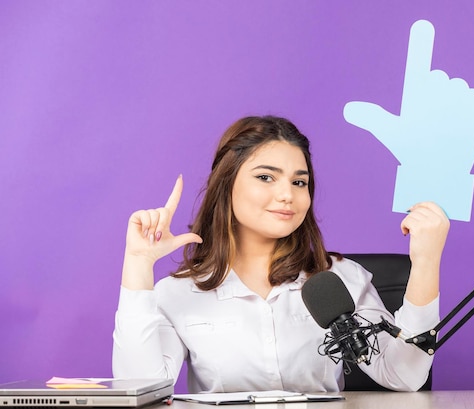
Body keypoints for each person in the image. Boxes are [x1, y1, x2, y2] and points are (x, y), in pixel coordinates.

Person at [112, 115, 449, 393]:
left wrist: (426, 262)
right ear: (226, 185)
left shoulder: (339, 278)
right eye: (266, 177)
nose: (287, 195)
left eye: (299, 182)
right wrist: (139, 265)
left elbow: (404, 375)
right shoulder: (178, 293)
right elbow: (140, 391)